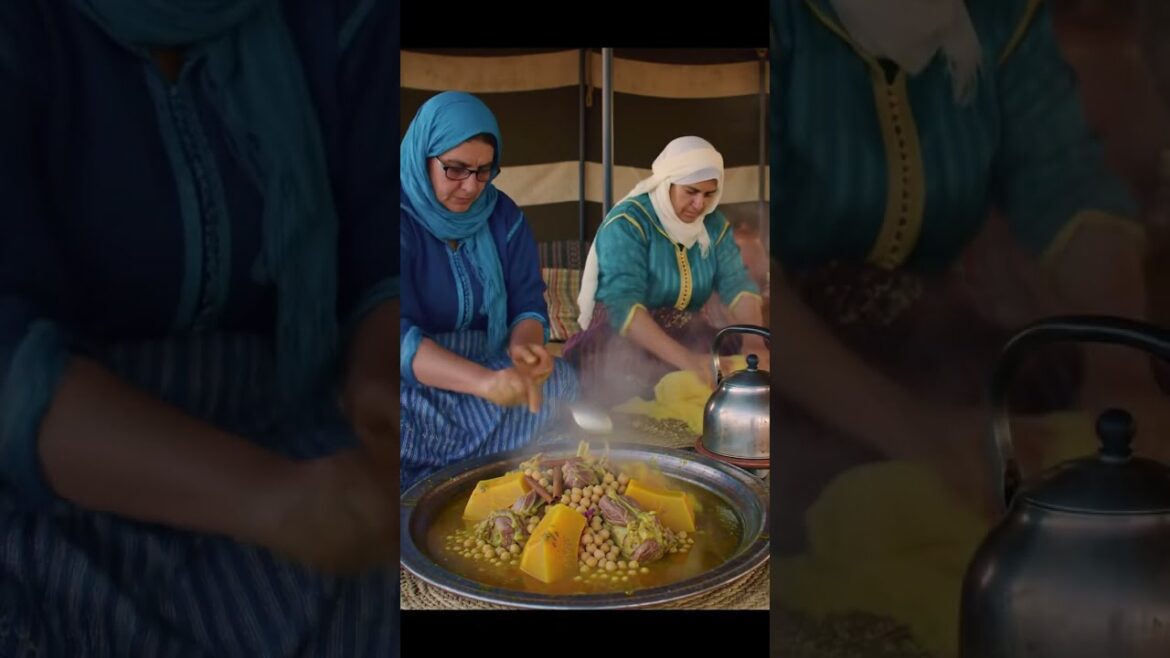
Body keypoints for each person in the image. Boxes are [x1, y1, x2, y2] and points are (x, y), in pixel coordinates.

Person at [0, 1, 400, 655]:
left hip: (303, 421)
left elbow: (386, 242)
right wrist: (264, 498)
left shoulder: (345, 20)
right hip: (54, 478)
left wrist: (380, 372)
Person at [770, 0, 1161, 548]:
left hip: (930, 345)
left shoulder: (998, 17)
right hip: (762, 373)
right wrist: (917, 431)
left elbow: (1065, 185)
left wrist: (1120, 373)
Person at [399, 91, 579, 491]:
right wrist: (482, 383)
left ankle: (477, 464)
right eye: (456, 169)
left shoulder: (503, 216)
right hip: (417, 379)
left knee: (560, 380)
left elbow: (527, 305)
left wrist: (525, 351)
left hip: (489, 356)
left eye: (484, 172)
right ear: (423, 157)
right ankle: (472, 466)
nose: (470, 187)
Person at [563, 136, 768, 405]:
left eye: (708, 194)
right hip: (619, 338)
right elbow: (623, 307)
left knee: (738, 362)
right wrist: (688, 360)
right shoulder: (627, 224)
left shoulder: (713, 225)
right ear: (667, 183)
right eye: (691, 192)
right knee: (611, 384)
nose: (699, 205)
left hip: (686, 331)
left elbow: (737, 282)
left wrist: (753, 342)